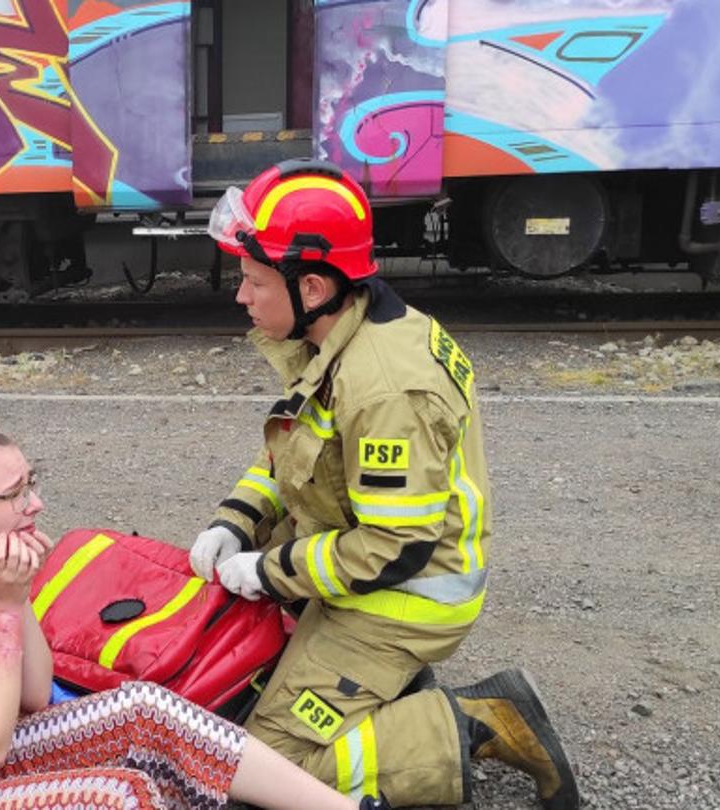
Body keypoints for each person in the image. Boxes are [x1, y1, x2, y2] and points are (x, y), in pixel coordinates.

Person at [188, 160, 578, 808]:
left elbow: (395, 548)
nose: (241, 297)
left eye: (253, 281)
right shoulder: (343, 333)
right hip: (365, 572)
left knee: (261, 768)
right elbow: (296, 454)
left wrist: (269, 572)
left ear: (310, 287)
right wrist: (234, 520)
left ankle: (479, 722)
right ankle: (389, 691)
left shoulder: (385, 386)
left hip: (403, 598)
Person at [0, 425, 367, 810]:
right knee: (122, 794)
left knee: (144, 708)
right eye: (15, 495)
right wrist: (6, 608)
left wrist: (17, 597)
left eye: (32, 483)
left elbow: (33, 695)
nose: (36, 504)